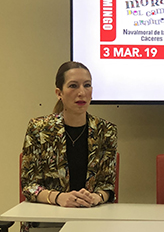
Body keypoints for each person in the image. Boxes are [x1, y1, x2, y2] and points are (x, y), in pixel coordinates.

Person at [21, 61, 118, 210]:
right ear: (59, 93)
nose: (82, 93)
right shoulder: (39, 129)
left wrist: (96, 197)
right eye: (73, 86)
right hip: (48, 217)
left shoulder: (105, 130)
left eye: (87, 85)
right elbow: (29, 186)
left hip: (90, 213)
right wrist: (59, 198)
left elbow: (108, 186)